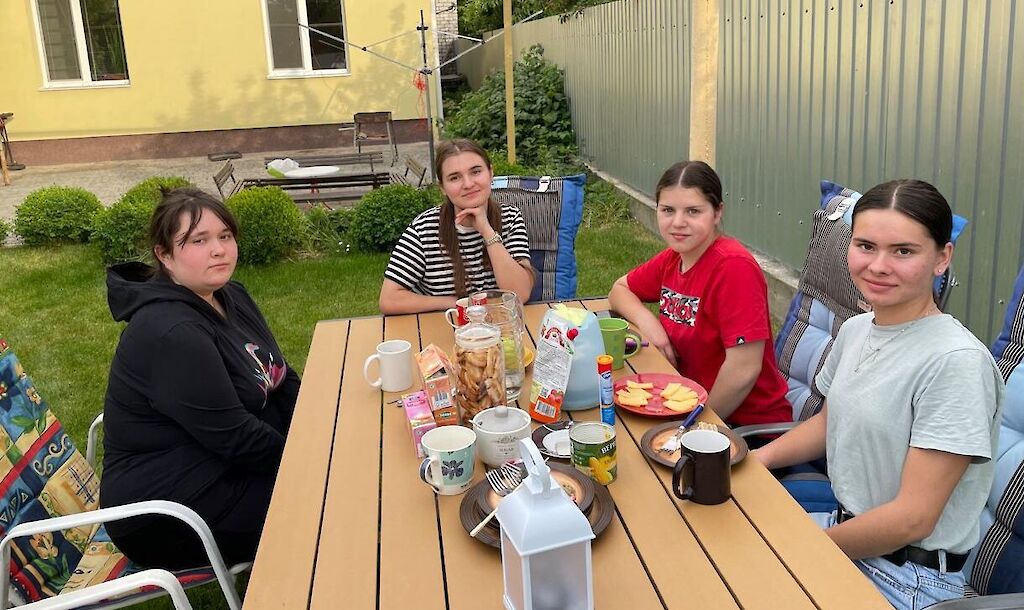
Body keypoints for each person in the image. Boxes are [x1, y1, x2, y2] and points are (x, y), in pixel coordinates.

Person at [753, 180, 1003, 608]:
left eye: (903, 251)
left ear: (942, 258)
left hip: (907, 578)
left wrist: (806, 550)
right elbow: (828, 422)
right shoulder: (856, 330)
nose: (878, 266)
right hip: (845, 531)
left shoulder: (955, 363)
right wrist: (757, 461)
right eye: (865, 246)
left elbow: (912, 519)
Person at [101, 187, 300, 570]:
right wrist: (311, 460)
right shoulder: (170, 332)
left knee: (333, 485)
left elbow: (279, 375)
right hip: (167, 511)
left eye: (225, 236)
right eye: (198, 240)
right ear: (165, 255)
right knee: (321, 505)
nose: (219, 250)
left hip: (217, 463)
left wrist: (323, 425)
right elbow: (236, 438)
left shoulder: (230, 295)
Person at [608, 160, 790, 427]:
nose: (678, 222)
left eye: (693, 211)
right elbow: (619, 290)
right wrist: (652, 328)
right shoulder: (674, 258)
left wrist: (693, 426)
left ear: (717, 213)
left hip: (741, 424)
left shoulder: (733, 267)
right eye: (667, 210)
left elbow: (744, 370)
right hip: (683, 405)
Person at [379, 138, 534, 314]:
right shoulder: (424, 229)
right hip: (442, 325)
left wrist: (487, 231)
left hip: (499, 324)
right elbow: (389, 300)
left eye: (476, 171)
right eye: (454, 177)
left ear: (491, 173)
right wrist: (456, 303)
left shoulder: (510, 218)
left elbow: (520, 294)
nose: (468, 184)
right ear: (442, 187)